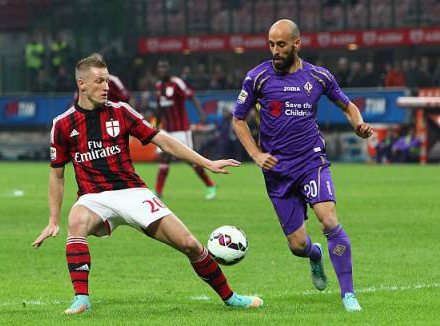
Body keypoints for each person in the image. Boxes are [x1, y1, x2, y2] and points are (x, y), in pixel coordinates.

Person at [32, 54, 262, 315]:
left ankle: (230, 298)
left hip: (132, 192)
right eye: (99, 81)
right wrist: (53, 221)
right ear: (82, 84)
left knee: (189, 244)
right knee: (76, 221)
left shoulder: (121, 112)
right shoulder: (62, 125)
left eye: (107, 81)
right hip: (93, 197)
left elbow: (162, 140)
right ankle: (81, 299)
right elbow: (57, 175)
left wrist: (206, 162)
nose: (106, 87)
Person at [232, 19, 373, 312]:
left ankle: (348, 294)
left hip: (311, 161)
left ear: (297, 44)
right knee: (298, 246)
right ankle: (314, 255)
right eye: (271, 44)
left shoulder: (319, 77)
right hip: (277, 170)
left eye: (281, 45)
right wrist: (256, 155)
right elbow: (238, 119)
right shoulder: (257, 77)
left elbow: (348, 106)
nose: (275, 51)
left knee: (329, 220)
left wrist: (357, 123)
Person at [154, 58, 217, 200]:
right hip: (167, 130)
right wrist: (157, 127)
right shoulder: (159, 86)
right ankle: (158, 191)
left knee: (192, 160)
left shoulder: (177, 83)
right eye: (160, 67)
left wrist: (201, 113)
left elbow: (191, 96)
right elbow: (159, 109)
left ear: (168, 69)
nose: (162, 69)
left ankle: (210, 185)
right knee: (164, 158)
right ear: (157, 70)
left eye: (165, 66)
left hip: (181, 130)